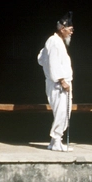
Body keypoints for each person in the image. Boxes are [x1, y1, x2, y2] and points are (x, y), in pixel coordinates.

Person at [37, 13, 74, 151]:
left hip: (60, 82)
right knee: (61, 111)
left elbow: (41, 58)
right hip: (58, 83)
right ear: (62, 28)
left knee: (64, 111)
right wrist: (61, 80)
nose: (71, 32)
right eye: (70, 29)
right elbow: (52, 63)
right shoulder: (53, 41)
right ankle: (57, 140)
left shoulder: (56, 42)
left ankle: (55, 141)